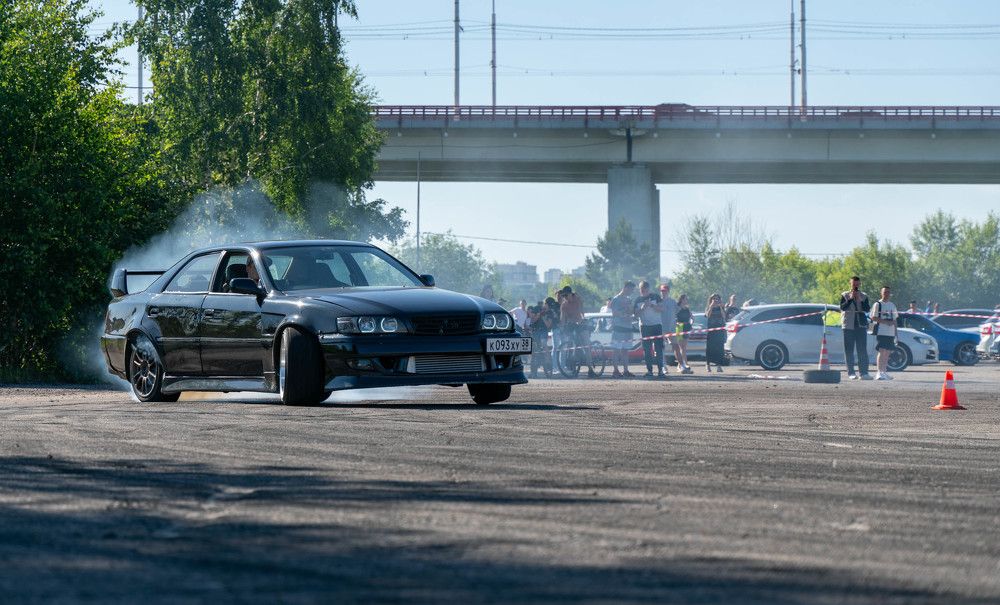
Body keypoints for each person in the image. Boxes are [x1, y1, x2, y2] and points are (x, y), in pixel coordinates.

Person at [558, 285, 595, 378]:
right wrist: (562, 328)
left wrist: (582, 319)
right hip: (572, 325)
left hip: (581, 323)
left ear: (571, 294)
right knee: (571, 345)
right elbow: (562, 318)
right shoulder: (564, 305)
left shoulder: (577, 299)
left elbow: (582, 311)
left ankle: (590, 369)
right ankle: (574, 367)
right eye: (563, 296)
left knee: (586, 346)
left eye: (566, 295)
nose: (565, 297)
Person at [839, 276, 872, 380]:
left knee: (862, 350)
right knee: (849, 350)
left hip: (860, 326)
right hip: (848, 326)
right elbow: (842, 307)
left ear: (860, 284)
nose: (856, 286)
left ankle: (864, 372)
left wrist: (860, 300)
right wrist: (850, 299)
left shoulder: (864, 296)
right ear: (851, 284)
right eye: (854, 284)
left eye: (857, 285)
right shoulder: (845, 295)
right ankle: (851, 373)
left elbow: (867, 309)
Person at [633, 281, 665, 378]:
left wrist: (652, 305)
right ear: (640, 290)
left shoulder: (656, 296)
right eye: (642, 290)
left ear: (649, 289)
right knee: (647, 350)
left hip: (657, 326)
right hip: (645, 327)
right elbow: (636, 315)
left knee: (659, 349)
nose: (644, 292)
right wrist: (642, 308)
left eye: (646, 290)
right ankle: (649, 371)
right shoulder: (637, 300)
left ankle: (660, 371)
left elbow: (662, 309)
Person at [870, 285, 899, 380]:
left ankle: (884, 371)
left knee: (887, 352)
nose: (887, 294)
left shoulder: (892, 305)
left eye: (888, 292)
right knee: (882, 351)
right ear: (881, 293)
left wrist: (896, 333)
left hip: (890, 333)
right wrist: (886, 322)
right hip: (881, 331)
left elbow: (895, 320)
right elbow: (873, 317)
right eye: (885, 292)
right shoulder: (878, 304)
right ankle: (879, 372)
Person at [609, 281, 636, 378]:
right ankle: (615, 371)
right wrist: (624, 316)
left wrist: (631, 311)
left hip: (628, 327)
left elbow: (631, 311)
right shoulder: (616, 299)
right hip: (619, 327)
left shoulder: (629, 299)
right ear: (625, 288)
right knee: (616, 350)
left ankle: (626, 370)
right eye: (631, 290)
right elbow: (614, 313)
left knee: (625, 350)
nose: (632, 292)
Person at [659, 284, 681, 374]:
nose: (663, 292)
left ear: (668, 291)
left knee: (676, 346)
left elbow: (677, 311)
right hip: (661, 328)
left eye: (665, 291)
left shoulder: (673, 302)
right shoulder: (658, 301)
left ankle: (681, 365)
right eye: (662, 291)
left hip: (672, 328)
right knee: (661, 348)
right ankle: (663, 366)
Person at [527, 305, 553, 378]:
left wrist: (542, 317)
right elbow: (532, 321)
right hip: (535, 332)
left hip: (543, 331)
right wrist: (536, 316)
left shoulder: (547, 314)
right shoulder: (534, 312)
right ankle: (533, 372)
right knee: (533, 352)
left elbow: (548, 326)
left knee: (544, 343)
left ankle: (548, 363)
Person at [704, 293, 727, 373]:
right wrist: (711, 306)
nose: (716, 300)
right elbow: (707, 315)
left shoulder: (722, 307)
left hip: (720, 330)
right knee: (710, 348)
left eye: (717, 299)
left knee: (720, 348)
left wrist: (721, 306)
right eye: (714, 299)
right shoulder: (709, 307)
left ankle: (719, 366)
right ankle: (708, 365)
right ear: (711, 299)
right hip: (711, 330)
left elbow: (724, 316)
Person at [674, 294, 694, 374]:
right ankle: (680, 365)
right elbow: (674, 317)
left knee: (684, 347)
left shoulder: (687, 309)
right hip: (679, 327)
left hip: (686, 327)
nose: (686, 300)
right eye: (685, 299)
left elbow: (692, 317)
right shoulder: (677, 308)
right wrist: (676, 324)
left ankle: (685, 364)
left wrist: (691, 324)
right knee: (679, 347)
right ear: (681, 299)